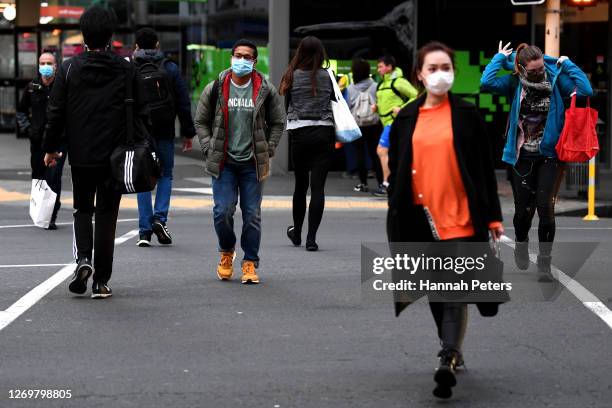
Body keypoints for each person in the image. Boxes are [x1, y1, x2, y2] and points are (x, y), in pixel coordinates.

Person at [387, 42, 504, 399]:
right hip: (420, 218)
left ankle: (448, 354)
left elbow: (484, 169)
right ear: (419, 75)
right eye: (432, 68)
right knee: (436, 289)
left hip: (462, 216)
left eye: (446, 67)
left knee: (453, 288)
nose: (441, 74)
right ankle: (449, 345)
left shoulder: (467, 115)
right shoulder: (407, 117)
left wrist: (494, 217)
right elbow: (397, 165)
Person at [43, 5, 149, 298]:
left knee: (82, 209)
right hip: (115, 155)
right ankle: (101, 281)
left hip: (81, 154)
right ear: (111, 35)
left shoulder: (70, 68)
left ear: (84, 35)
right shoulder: (127, 67)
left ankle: (83, 260)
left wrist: (51, 148)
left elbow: (56, 113)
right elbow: (142, 110)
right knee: (107, 215)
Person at [480, 41, 593, 281]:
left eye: (541, 67)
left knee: (545, 209)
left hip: (550, 156)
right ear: (521, 69)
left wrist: (566, 63)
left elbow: (585, 91)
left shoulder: (555, 79)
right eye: (533, 70)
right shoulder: (514, 83)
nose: (539, 72)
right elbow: (486, 82)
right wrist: (499, 58)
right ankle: (521, 242)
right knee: (523, 213)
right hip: (522, 156)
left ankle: (544, 264)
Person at [194, 39, 285, 284]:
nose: (241, 60)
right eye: (238, 55)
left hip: (252, 163)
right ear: (232, 57)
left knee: (252, 214)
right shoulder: (216, 87)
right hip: (223, 162)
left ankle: (250, 262)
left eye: (247, 57)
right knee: (222, 212)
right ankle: (226, 251)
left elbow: (278, 121)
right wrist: (206, 145)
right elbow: (200, 120)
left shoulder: (265, 89)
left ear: (254, 61)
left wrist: (270, 147)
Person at [132, 27, 196, 248]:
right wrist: (188, 132)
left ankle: (144, 232)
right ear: (157, 45)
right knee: (165, 174)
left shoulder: (131, 69)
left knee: (142, 179)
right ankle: (160, 219)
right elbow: (183, 102)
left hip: (140, 133)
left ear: (137, 47)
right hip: (165, 130)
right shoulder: (170, 68)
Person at [279, 36, 335, 252]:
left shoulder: (291, 75)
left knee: (300, 186)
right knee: (318, 187)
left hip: (299, 134)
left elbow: (287, 105)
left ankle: (297, 233)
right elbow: (335, 102)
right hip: (324, 133)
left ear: (300, 51)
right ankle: (311, 239)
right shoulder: (328, 76)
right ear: (320, 53)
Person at [17, 52, 66, 230]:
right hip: (37, 141)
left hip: (58, 141)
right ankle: (39, 212)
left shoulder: (62, 87)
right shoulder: (32, 87)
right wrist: (28, 130)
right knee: (38, 176)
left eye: (49, 63)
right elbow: (21, 111)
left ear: (56, 66)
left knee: (53, 177)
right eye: (42, 62)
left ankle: (51, 214)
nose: (46, 65)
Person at [373, 55, 418, 197]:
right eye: (378, 66)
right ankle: (397, 183)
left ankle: (387, 184)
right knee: (394, 153)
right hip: (384, 123)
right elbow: (387, 101)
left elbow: (416, 96)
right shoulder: (381, 84)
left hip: (394, 123)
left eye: (380, 66)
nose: (378, 69)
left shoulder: (399, 82)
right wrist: (377, 107)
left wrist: (402, 109)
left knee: (381, 150)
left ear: (389, 67)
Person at [346, 58, 383, 192]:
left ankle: (363, 184)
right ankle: (381, 183)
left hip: (358, 124)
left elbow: (348, 107)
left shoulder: (350, 88)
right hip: (374, 124)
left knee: (359, 154)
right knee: (376, 153)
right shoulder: (376, 85)